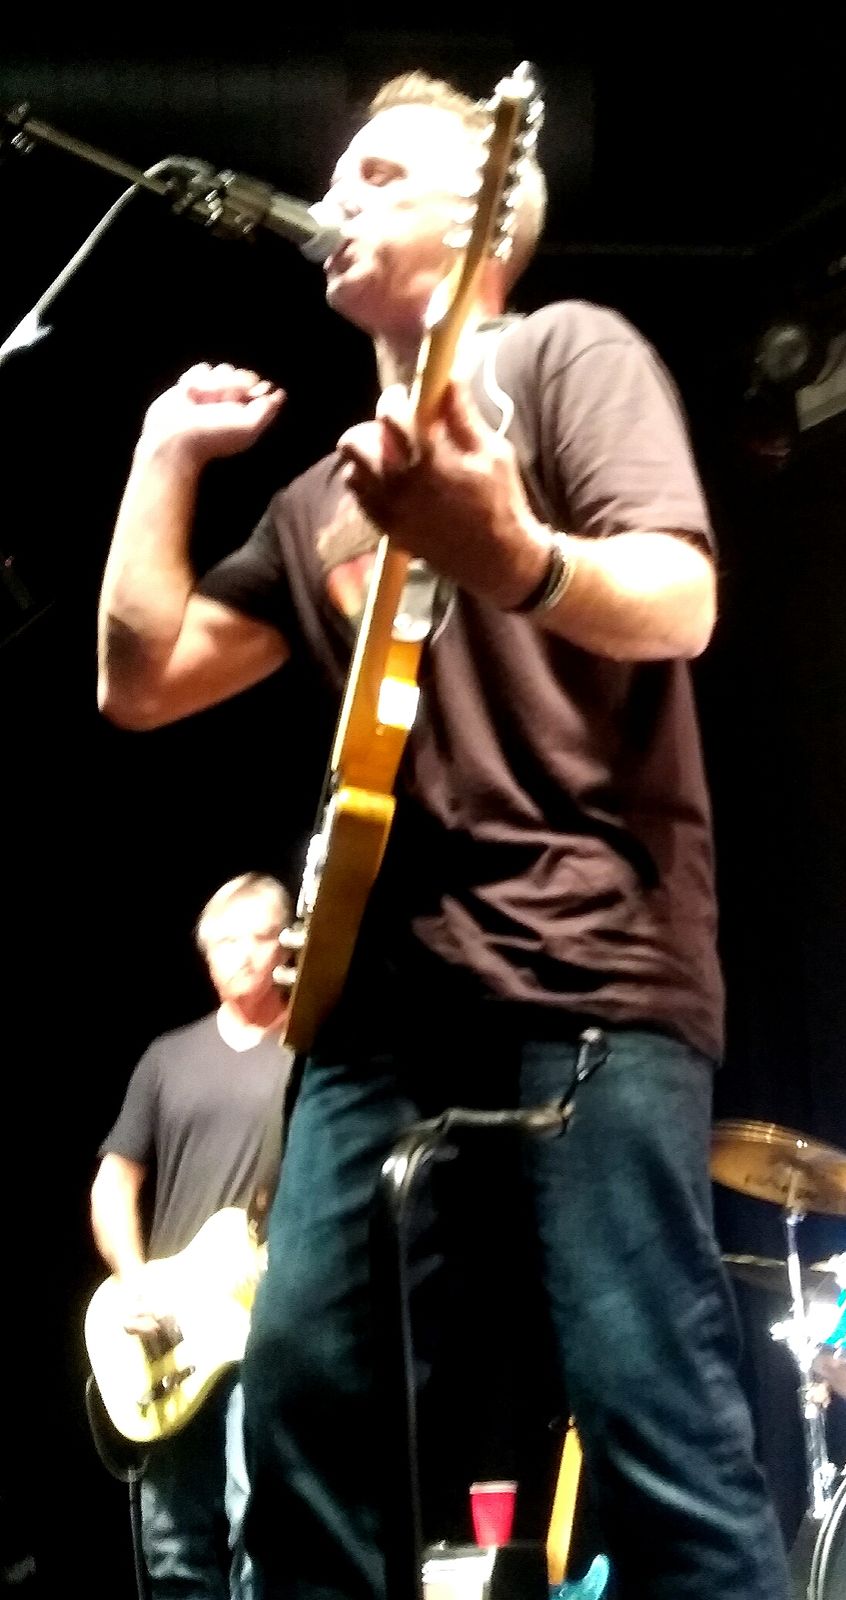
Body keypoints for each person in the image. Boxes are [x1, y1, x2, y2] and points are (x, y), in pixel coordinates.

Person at [95, 66, 792, 1600]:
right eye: (337, 175)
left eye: (382, 173)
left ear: (489, 218)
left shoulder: (564, 354)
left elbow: (681, 599)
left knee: (649, 1412)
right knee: (301, 1415)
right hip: (380, 1011)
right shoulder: (315, 501)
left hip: (590, 963)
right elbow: (141, 682)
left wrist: (520, 555)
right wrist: (162, 458)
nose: (334, 197)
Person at [90, 873, 294, 1599]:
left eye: (260, 937)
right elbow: (114, 1184)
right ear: (206, 957)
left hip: (264, 1325)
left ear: (287, 945)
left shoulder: (309, 1055)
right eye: (226, 941)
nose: (244, 954)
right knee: (172, 1543)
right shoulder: (167, 1058)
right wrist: (133, 1279)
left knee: (258, 1527)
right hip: (170, 1332)